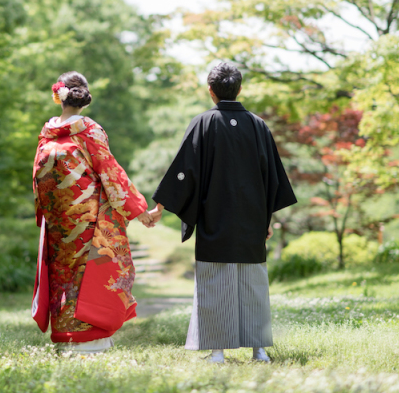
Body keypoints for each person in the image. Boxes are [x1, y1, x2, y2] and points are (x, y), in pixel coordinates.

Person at [139, 62, 297, 363]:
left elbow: (184, 172)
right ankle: (258, 350)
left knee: (215, 279)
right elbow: (272, 178)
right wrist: (268, 219)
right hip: (251, 219)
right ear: (240, 89)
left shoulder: (203, 123)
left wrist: (160, 207)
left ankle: (217, 351)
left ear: (210, 91)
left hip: (215, 217)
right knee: (252, 281)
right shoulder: (258, 125)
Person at [32, 71, 148, 354]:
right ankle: (92, 342)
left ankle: (65, 337)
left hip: (59, 222)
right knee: (89, 277)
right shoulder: (89, 130)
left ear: (58, 97)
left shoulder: (47, 135)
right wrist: (139, 210)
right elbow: (110, 173)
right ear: (83, 98)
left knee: (63, 276)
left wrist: (48, 213)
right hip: (89, 220)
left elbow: (38, 180)